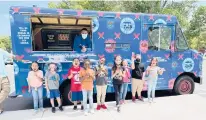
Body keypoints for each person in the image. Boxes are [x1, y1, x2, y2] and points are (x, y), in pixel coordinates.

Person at [0, 48, 25, 115]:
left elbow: (11, 56)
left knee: (6, 90)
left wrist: (21, 59)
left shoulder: (0, 51)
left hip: (3, 76)